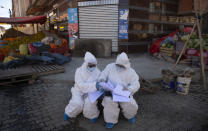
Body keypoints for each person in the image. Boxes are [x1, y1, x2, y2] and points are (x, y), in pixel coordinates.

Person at [98, 52, 140, 128]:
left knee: (130, 104)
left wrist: (128, 89)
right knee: (109, 103)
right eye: (118, 65)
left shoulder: (131, 72)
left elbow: (136, 84)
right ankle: (110, 120)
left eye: (121, 65)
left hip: (123, 93)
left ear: (126, 64)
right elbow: (103, 74)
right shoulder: (110, 66)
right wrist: (102, 80)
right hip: (110, 91)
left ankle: (130, 116)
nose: (119, 66)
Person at [64, 52, 101, 123]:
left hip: (91, 92)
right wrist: (94, 85)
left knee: (90, 103)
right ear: (86, 63)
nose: (92, 67)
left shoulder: (98, 72)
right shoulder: (79, 71)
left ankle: (92, 115)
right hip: (79, 91)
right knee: (77, 103)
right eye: (90, 65)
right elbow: (80, 85)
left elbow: (100, 81)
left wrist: (101, 85)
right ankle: (69, 112)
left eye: (94, 65)